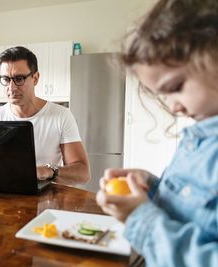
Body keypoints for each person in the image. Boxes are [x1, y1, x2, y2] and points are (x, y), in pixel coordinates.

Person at [96, 0, 218, 266]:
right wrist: (152, 188)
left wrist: (140, 217)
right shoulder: (199, 138)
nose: (173, 107)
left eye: (175, 86)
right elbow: (193, 209)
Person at [0, 46, 90, 185]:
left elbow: (83, 173)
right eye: (6, 79)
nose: (11, 88)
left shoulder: (61, 116)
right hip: (5, 193)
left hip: (46, 199)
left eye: (19, 79)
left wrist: (49, 171)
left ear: (35, 78)